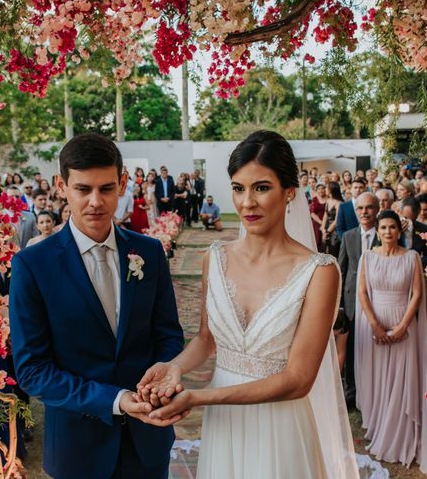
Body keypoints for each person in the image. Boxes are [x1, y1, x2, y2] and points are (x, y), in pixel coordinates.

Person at [137, 130, 358, 479]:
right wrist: (174, 366)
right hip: (225, 427)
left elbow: (299, 380)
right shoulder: (216, 257)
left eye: (261, 187)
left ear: (289, 192)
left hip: (281, 426)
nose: (247, 203)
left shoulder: (319, 271)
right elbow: (206, 340)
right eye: (239, 188)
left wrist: (199, 398)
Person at [9, 133, 184, 479]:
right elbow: (32, 371)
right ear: (62, 186)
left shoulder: (148, 253)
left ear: (121, 184)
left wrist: (165, 376)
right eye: (82, 189)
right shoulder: (33, 265)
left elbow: (168, 334)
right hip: (78, 450)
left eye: (106, 188)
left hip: (148, 441)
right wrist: (115, 399)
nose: (95, 201)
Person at [355, 209, 427, 479]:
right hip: (375, 325)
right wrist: (375, 325)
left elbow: (416, 294)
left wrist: (403, 325)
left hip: (404, 326)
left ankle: (401, 434)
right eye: (383, 228)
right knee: (380, 380)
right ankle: (379, 427)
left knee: (401, 381)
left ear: (399, 231)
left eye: (392, 227)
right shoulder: (368, 257)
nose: (388, 232)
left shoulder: (411, 257)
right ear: (377, 231)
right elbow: (362, 293)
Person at [337, 192, 380, 409]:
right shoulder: (348, 236)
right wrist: (341, 305)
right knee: (352, 349)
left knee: (373, 349)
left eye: (369, 207)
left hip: (378, 302)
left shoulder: (385, 235)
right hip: (352, 301)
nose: (365, 212)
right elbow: (341, 270)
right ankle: (350, 392)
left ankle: (372, 391)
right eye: (361, 208)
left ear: (377, 209)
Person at [321, 181, 344, 257]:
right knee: (324, 252)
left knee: (333, 252)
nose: (325, 190)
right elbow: (325, 215)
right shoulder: (328, 201)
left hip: (335, 231)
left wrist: (327, 232)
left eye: (326, 188)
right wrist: (323, 229)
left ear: (331, 190)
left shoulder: (339, 203)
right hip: (326, 229)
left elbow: (337, 221)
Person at [310, 182, 327, 252]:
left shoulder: (329, 199)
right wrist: (321, 222)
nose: (321, 190)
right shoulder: (314, 199)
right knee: (317, 242)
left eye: (322, 188)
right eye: (319, 189)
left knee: (325, 243)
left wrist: (324, 223)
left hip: (327, 223)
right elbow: (312, 213)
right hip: (317, 223)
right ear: (316, 190)